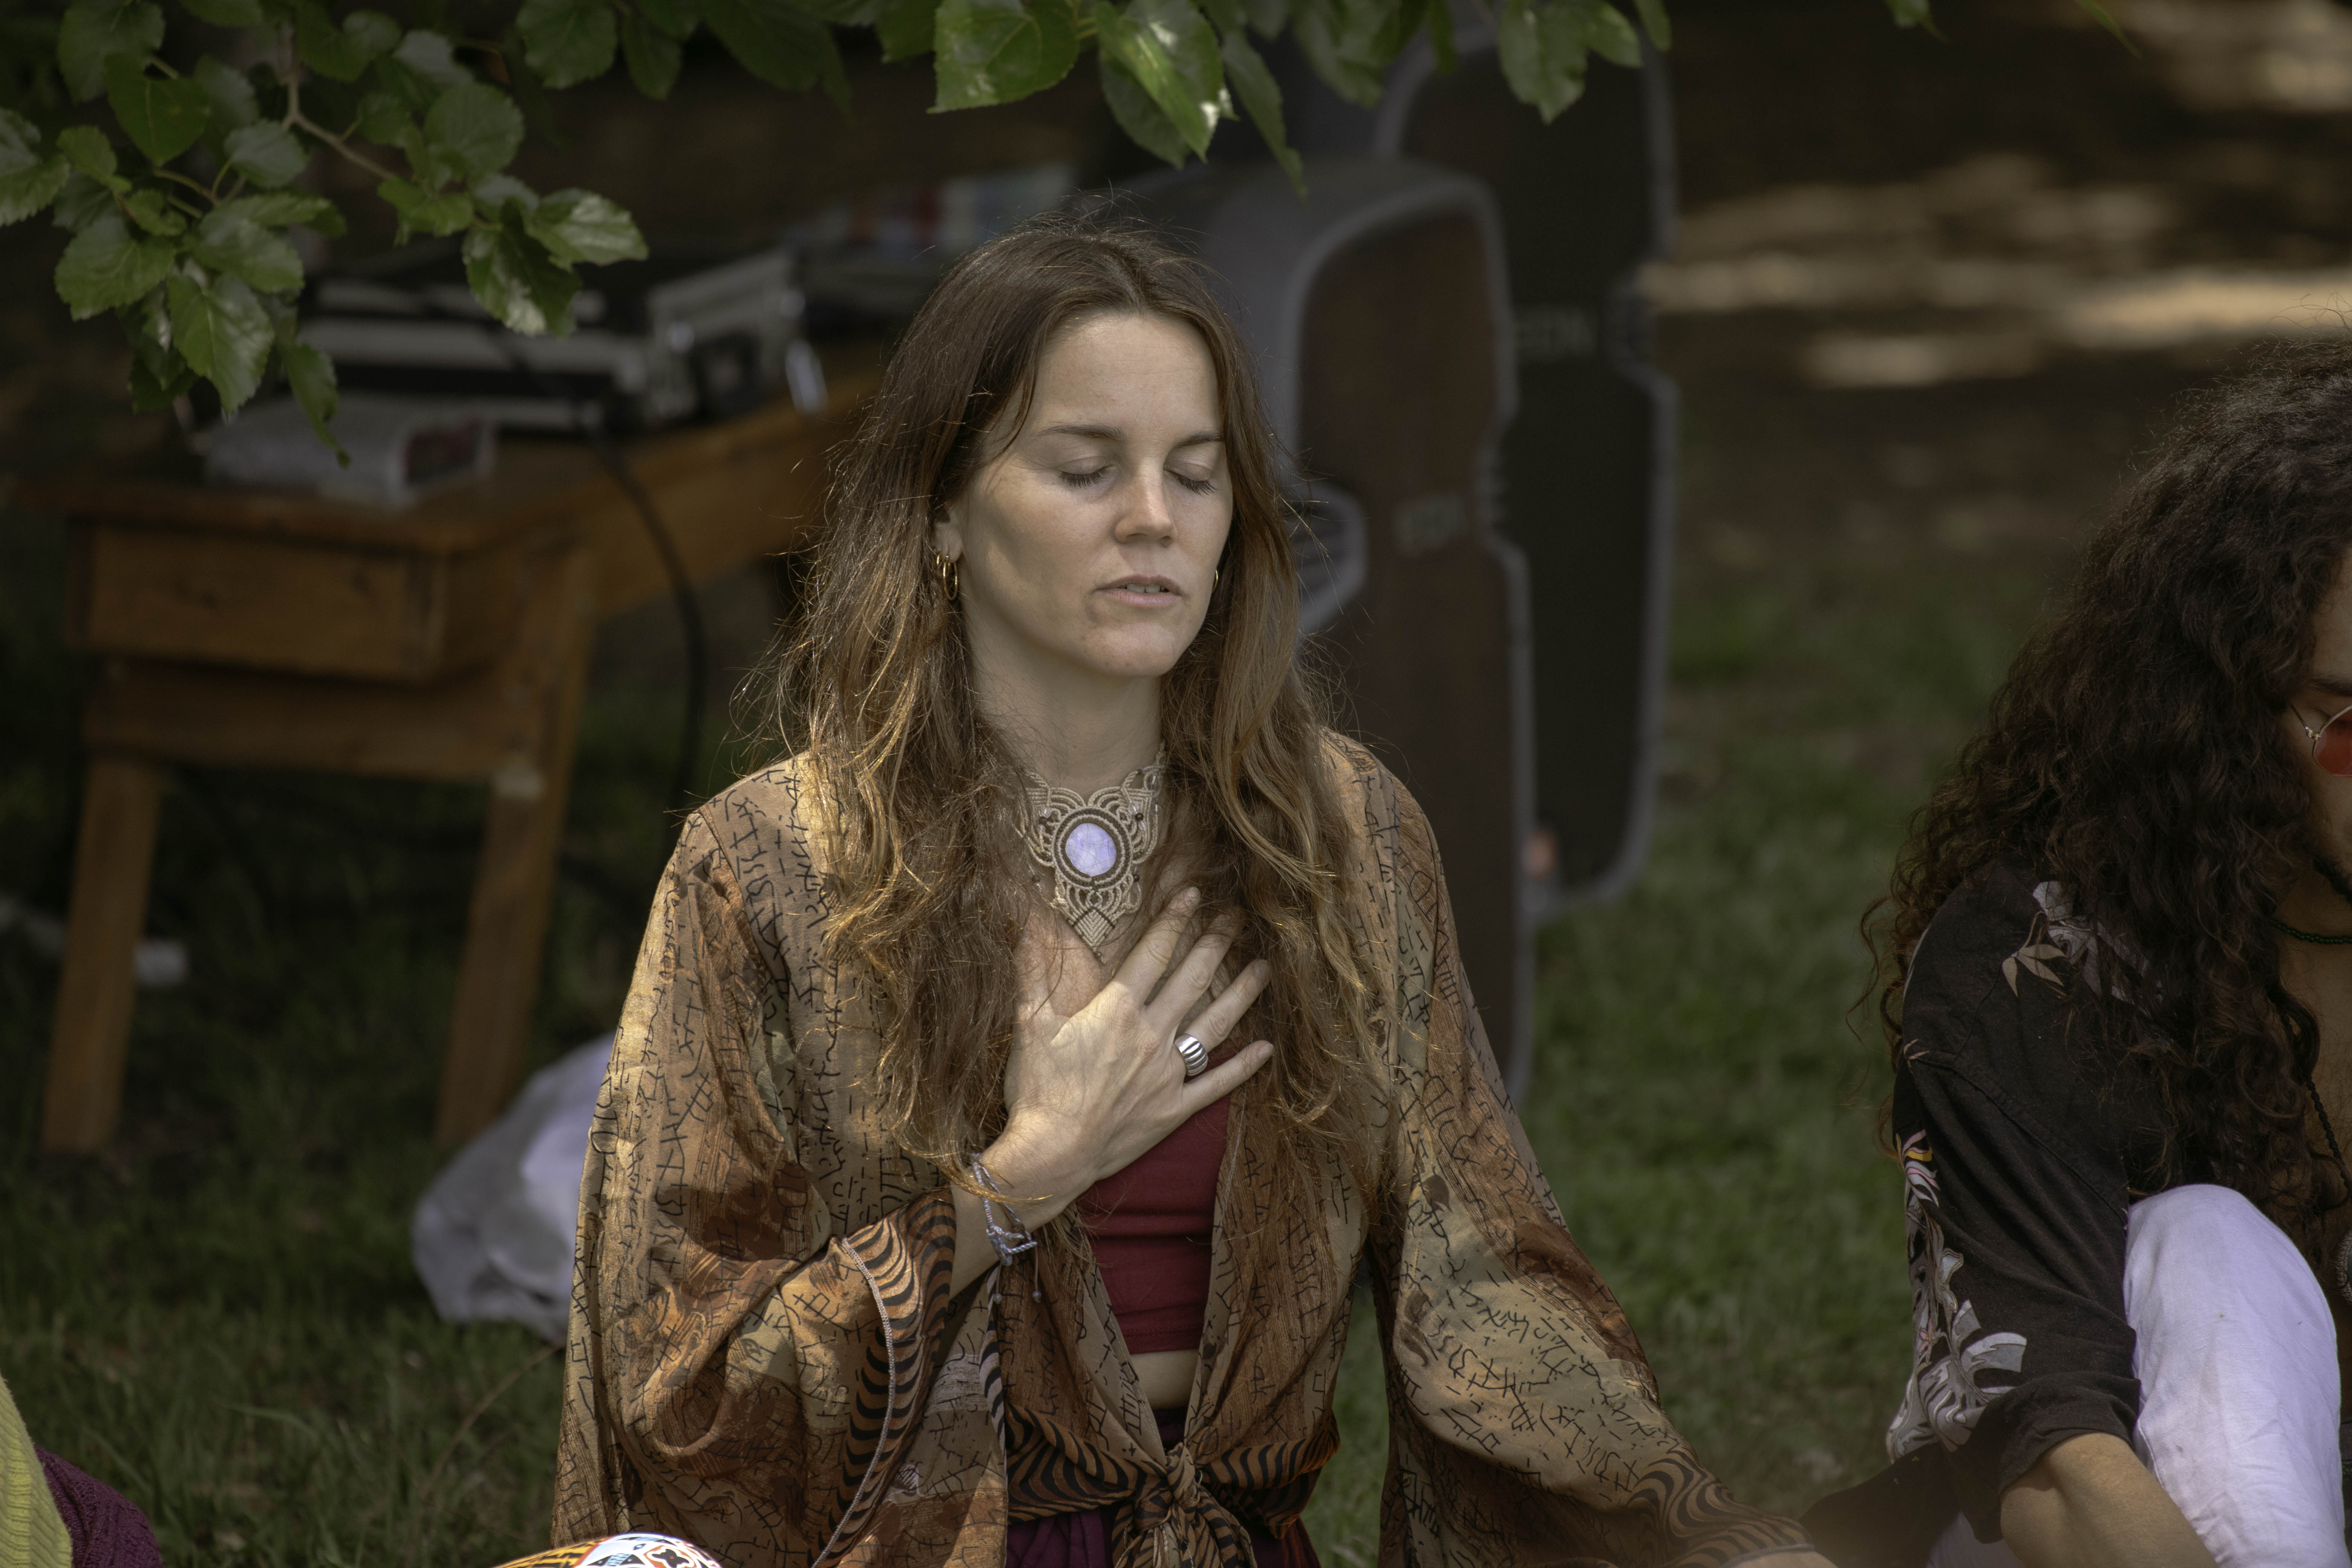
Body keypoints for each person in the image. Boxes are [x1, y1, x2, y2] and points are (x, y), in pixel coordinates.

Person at [548, 214, 1827, 1568]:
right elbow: (681, 1403)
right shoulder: (771, 871)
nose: (1153, 518)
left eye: (1197, 475)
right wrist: (1015, 1182)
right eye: (1086, 467)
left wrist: (1698, 1531)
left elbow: (1488, 1279)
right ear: (941, 513)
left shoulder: (1339, 840)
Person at [1804, 346, 2352, 1568]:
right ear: (2223, 712)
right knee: (2208, 1244)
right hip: (2086, 1540)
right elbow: (2053, 1467)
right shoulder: (2038, 966)